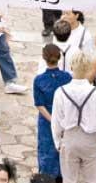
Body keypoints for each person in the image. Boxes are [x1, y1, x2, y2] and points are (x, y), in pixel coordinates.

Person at [50, 51, 96, 183]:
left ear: (71, 67)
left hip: (69, 138)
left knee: (69, 179)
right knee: (93, 179)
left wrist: (57, 141)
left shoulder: (61, 92)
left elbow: (56, 121)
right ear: (89, 68)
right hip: (90, 139)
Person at [33, 43, 71, 182]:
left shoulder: (39, 80)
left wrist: (52, 119)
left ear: (44, 58)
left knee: (46, 150)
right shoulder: (67, 77)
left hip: (46, 120)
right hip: (64, 118)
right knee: (62, 148)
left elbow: (39, 104)